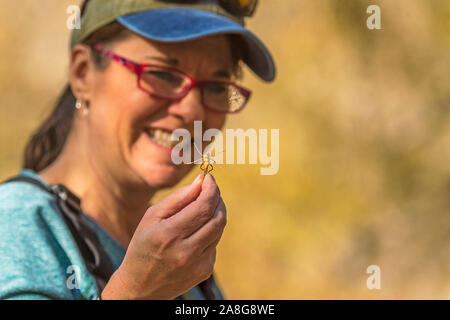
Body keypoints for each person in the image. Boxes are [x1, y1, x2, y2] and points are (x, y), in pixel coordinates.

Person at [0, 0, 275, 300]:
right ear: (82, 73)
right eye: (162, 74)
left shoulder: (185, 269)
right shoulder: (16, 230)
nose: (193, 110)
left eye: (216, 87)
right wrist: (136, 293)